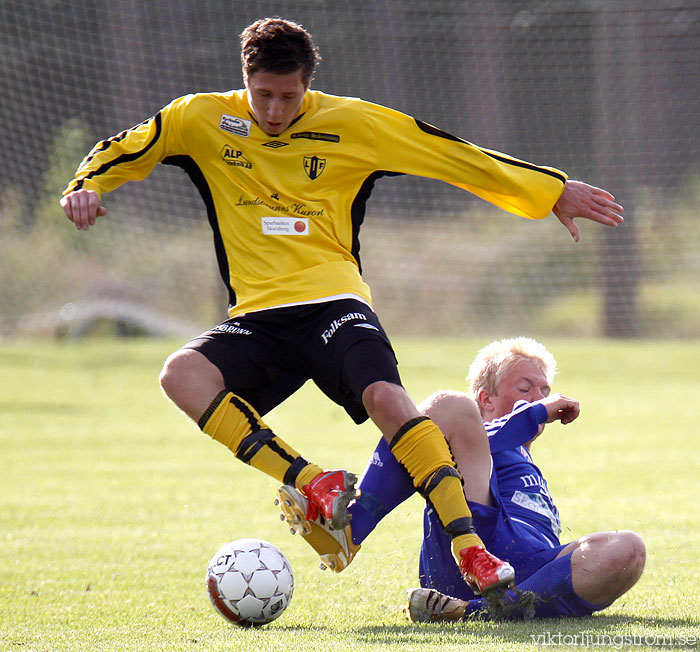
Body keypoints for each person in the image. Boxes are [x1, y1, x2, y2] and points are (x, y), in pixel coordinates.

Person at [60, 18, 624, 596]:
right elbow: (127, 147)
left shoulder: (353, 123)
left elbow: (450, 154)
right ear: (245, 80)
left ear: (308, 84)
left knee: (387, 398)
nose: (275, 110)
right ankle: (311, 482)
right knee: (181, 374)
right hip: (258, 316)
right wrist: (89, 185)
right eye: (263, 95)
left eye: (290, 95)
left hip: (333, 301)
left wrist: (549, 189)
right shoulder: (198, 117)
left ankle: (471, 550)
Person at [285, 337, 645, 620]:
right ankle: (352, 528)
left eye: (545, 392)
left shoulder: (521, 455)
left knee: (628, 548)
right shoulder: (471, 435)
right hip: (474, 552)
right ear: (486, 400)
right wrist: (535, 413)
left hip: (531, 568)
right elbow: (466, 433)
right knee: (444, 405)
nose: (539, 398)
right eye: (525, 389)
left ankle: (476, 613)